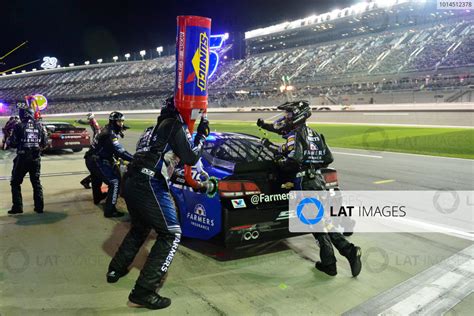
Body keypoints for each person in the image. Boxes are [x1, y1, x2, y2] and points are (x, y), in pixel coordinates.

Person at [106, 97, 210, 310]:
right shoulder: (174, 124)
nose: (196, 114)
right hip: (149, 181)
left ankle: (115, 269)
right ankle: (143, 292)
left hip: (132, 178)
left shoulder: (152, 128)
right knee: (171, 233)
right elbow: (190, 157)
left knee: (140, 228)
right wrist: (202, 135)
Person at [257, 100, 362, 277]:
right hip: (318, 181)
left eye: (289, 114)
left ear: (298, 115)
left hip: (305, 183)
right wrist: (311, 164)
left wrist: (280, 162)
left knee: (317, 224)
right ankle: (334, 260)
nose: (286, 117)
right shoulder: (314, 134)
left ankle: (345, 253)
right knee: (322, 222)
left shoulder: (295, 134)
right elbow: (328, 158)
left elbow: (294, 160)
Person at [85, 111, 133, 218]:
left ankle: (97, 198)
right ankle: (110, 211)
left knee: (96, 178)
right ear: (113, 122)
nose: (121, 124)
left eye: (122, 122)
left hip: (91, 158)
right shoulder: (110, 133)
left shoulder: (105, 129)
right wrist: (134, 159)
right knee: (114, 182)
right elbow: (120, 151)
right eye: (119, 122)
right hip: (96, 160)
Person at [8, 108, 47, 214]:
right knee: (36, 182)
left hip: (22, 158)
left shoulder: (18, 126)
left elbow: (13, 143)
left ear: (23, 115)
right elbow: (45, 142)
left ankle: (17, 207)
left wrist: (10, 138)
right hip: (35, 158)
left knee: (15, 182)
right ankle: (39, 207)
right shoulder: (39, 126)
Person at [77, 113, 101, 189]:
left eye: (88, 116)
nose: (88, 118)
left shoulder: (93, 121)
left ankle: (86, 181)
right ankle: (86, 181)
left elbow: (97, 130)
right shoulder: (93, 121)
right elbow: (97, 131)